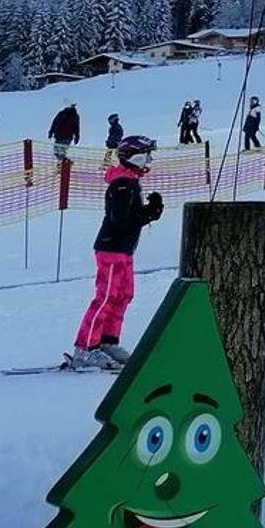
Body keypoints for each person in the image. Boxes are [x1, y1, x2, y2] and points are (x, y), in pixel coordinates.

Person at [66, 135, 165, 370]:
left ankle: (107, 341)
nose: (149, 160)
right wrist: (149, 214)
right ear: (135, 157)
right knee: (106, 297)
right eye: (146, 155)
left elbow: (130, 217)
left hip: (124, 250)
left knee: (123, 295)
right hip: (111, 250)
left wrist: (150, 211)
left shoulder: (130, 182)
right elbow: (121, 220)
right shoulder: (121, 184)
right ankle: (85, 349)